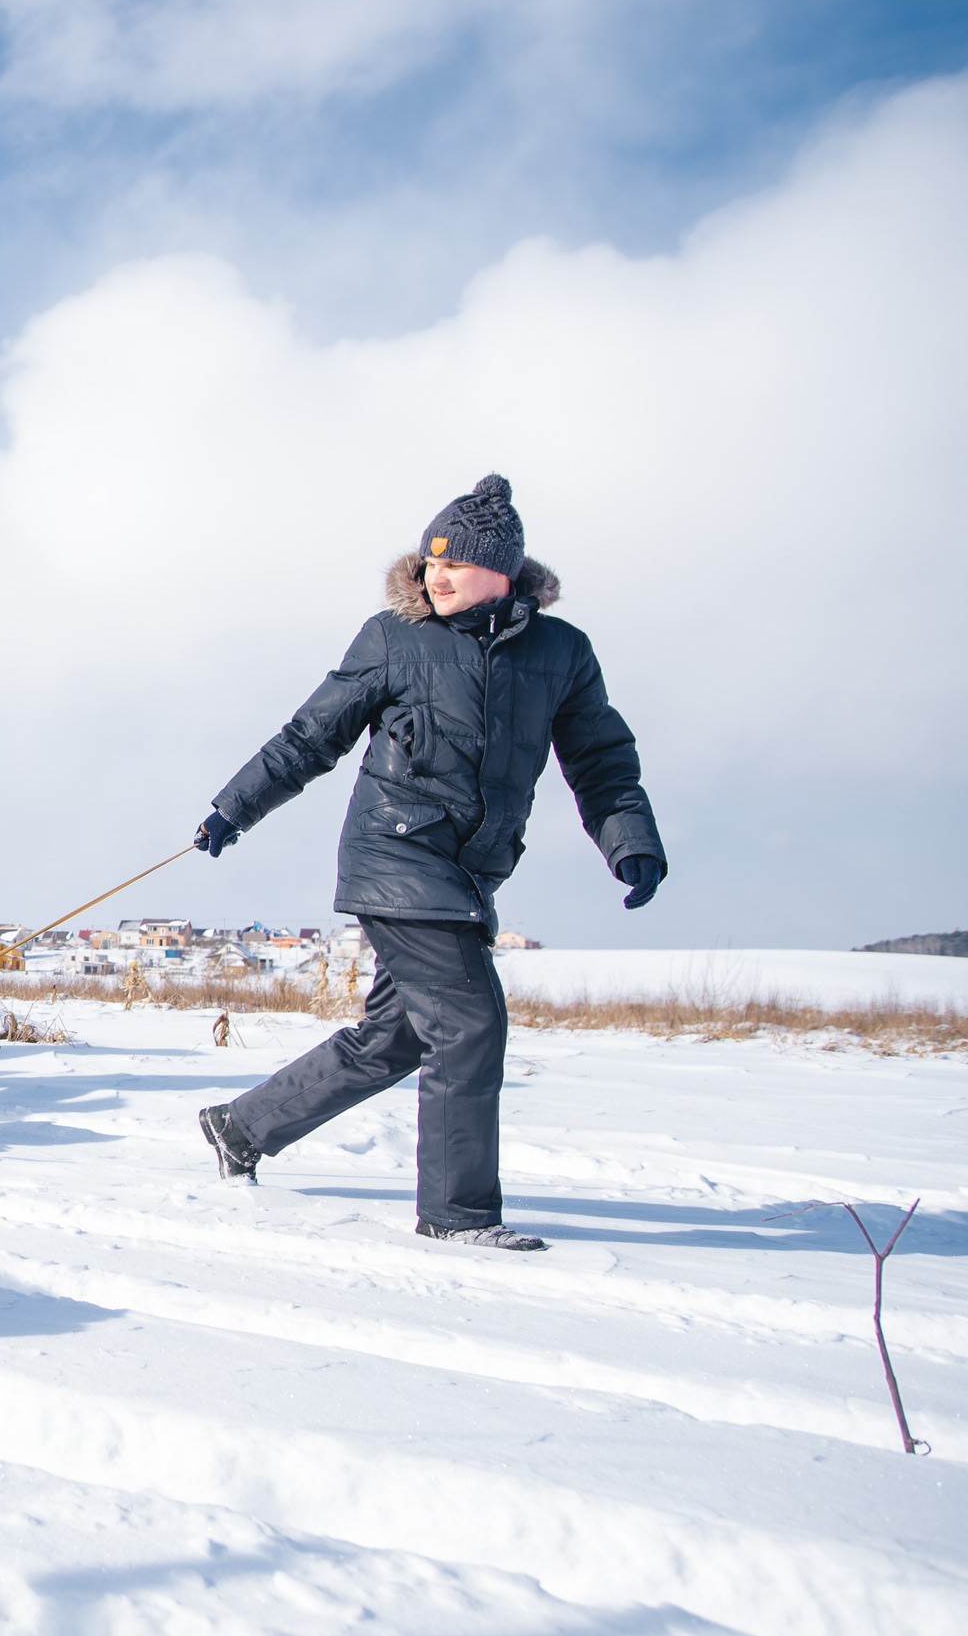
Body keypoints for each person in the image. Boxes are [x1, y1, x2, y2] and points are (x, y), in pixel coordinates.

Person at [190, 475, 666, 1251]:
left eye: (453, 563)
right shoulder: (395, 637)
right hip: (396, 853)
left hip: (473, 869)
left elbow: (601, 758)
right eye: (428, 562)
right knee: (472, 1024)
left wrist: (630, 840)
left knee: (398, 1037)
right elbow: (311, 736)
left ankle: (241, 1127)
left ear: (503, 570)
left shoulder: (562, 654)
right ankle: (458, 1212)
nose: (434, 575)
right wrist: (234, 807)